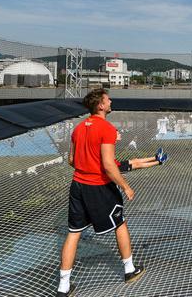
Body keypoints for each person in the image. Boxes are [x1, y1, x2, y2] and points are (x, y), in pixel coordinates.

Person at [57, 89, 144, 297]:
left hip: (77, 185)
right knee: (120, 223)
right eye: (108, 99)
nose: (111, 101)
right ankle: (129, 270)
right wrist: (125, 186)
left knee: (73, 233)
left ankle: (63, 287)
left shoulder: (78, 128)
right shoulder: (107, 128)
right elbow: (108, 165)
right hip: (99, 187)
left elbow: (71, 160)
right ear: (101, 106)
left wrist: (86, 167)